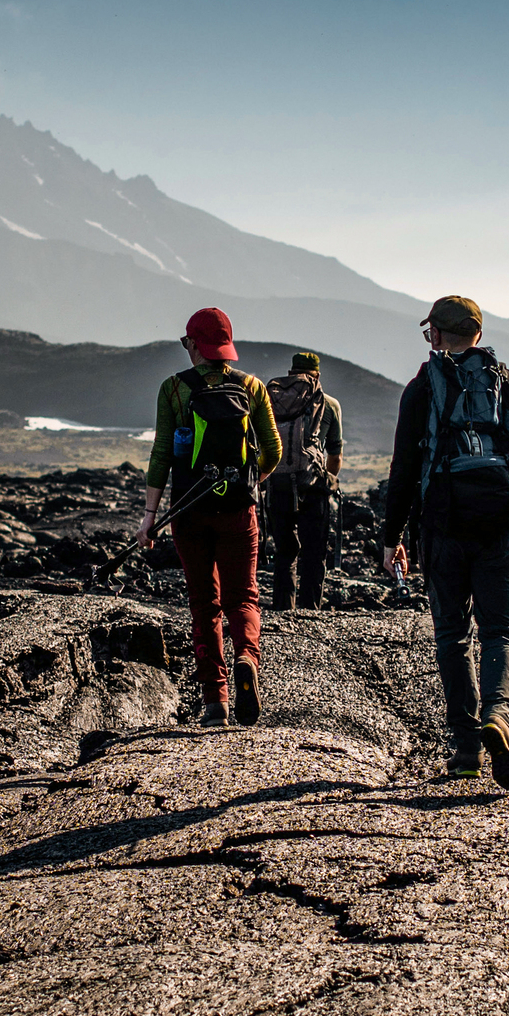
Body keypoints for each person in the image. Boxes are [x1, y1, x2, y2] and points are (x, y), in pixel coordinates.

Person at [378, 295, 509, 789]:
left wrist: (392, 537)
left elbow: (403, 470)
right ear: (477, 332)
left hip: (443, 528)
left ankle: (465, 750)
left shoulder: (421, 388)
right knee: (502, 629)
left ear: (436, 334)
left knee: (453, 635)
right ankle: (500, 715)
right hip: (501, 525)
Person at [140, 307, 280, 726]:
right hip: (239, 510)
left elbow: (162, 454)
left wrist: (149, 515)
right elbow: (272, 450)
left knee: (205, 605)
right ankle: (246, 658)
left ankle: (215, 702)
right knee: (243, 597)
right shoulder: (252, 387)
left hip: (188, 511)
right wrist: (248, 483)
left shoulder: (173, 390)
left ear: (193, 346)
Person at [261, 351, 343, 610]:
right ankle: (310, 611)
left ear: (290, 373)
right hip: (313, 488)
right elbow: (335, 454)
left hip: (277, 485)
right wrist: (326, 481)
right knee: (314, 554)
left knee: (285, 553)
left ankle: (283, 609)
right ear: (317, 374)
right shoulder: (329, 404)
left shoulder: (271, 401)